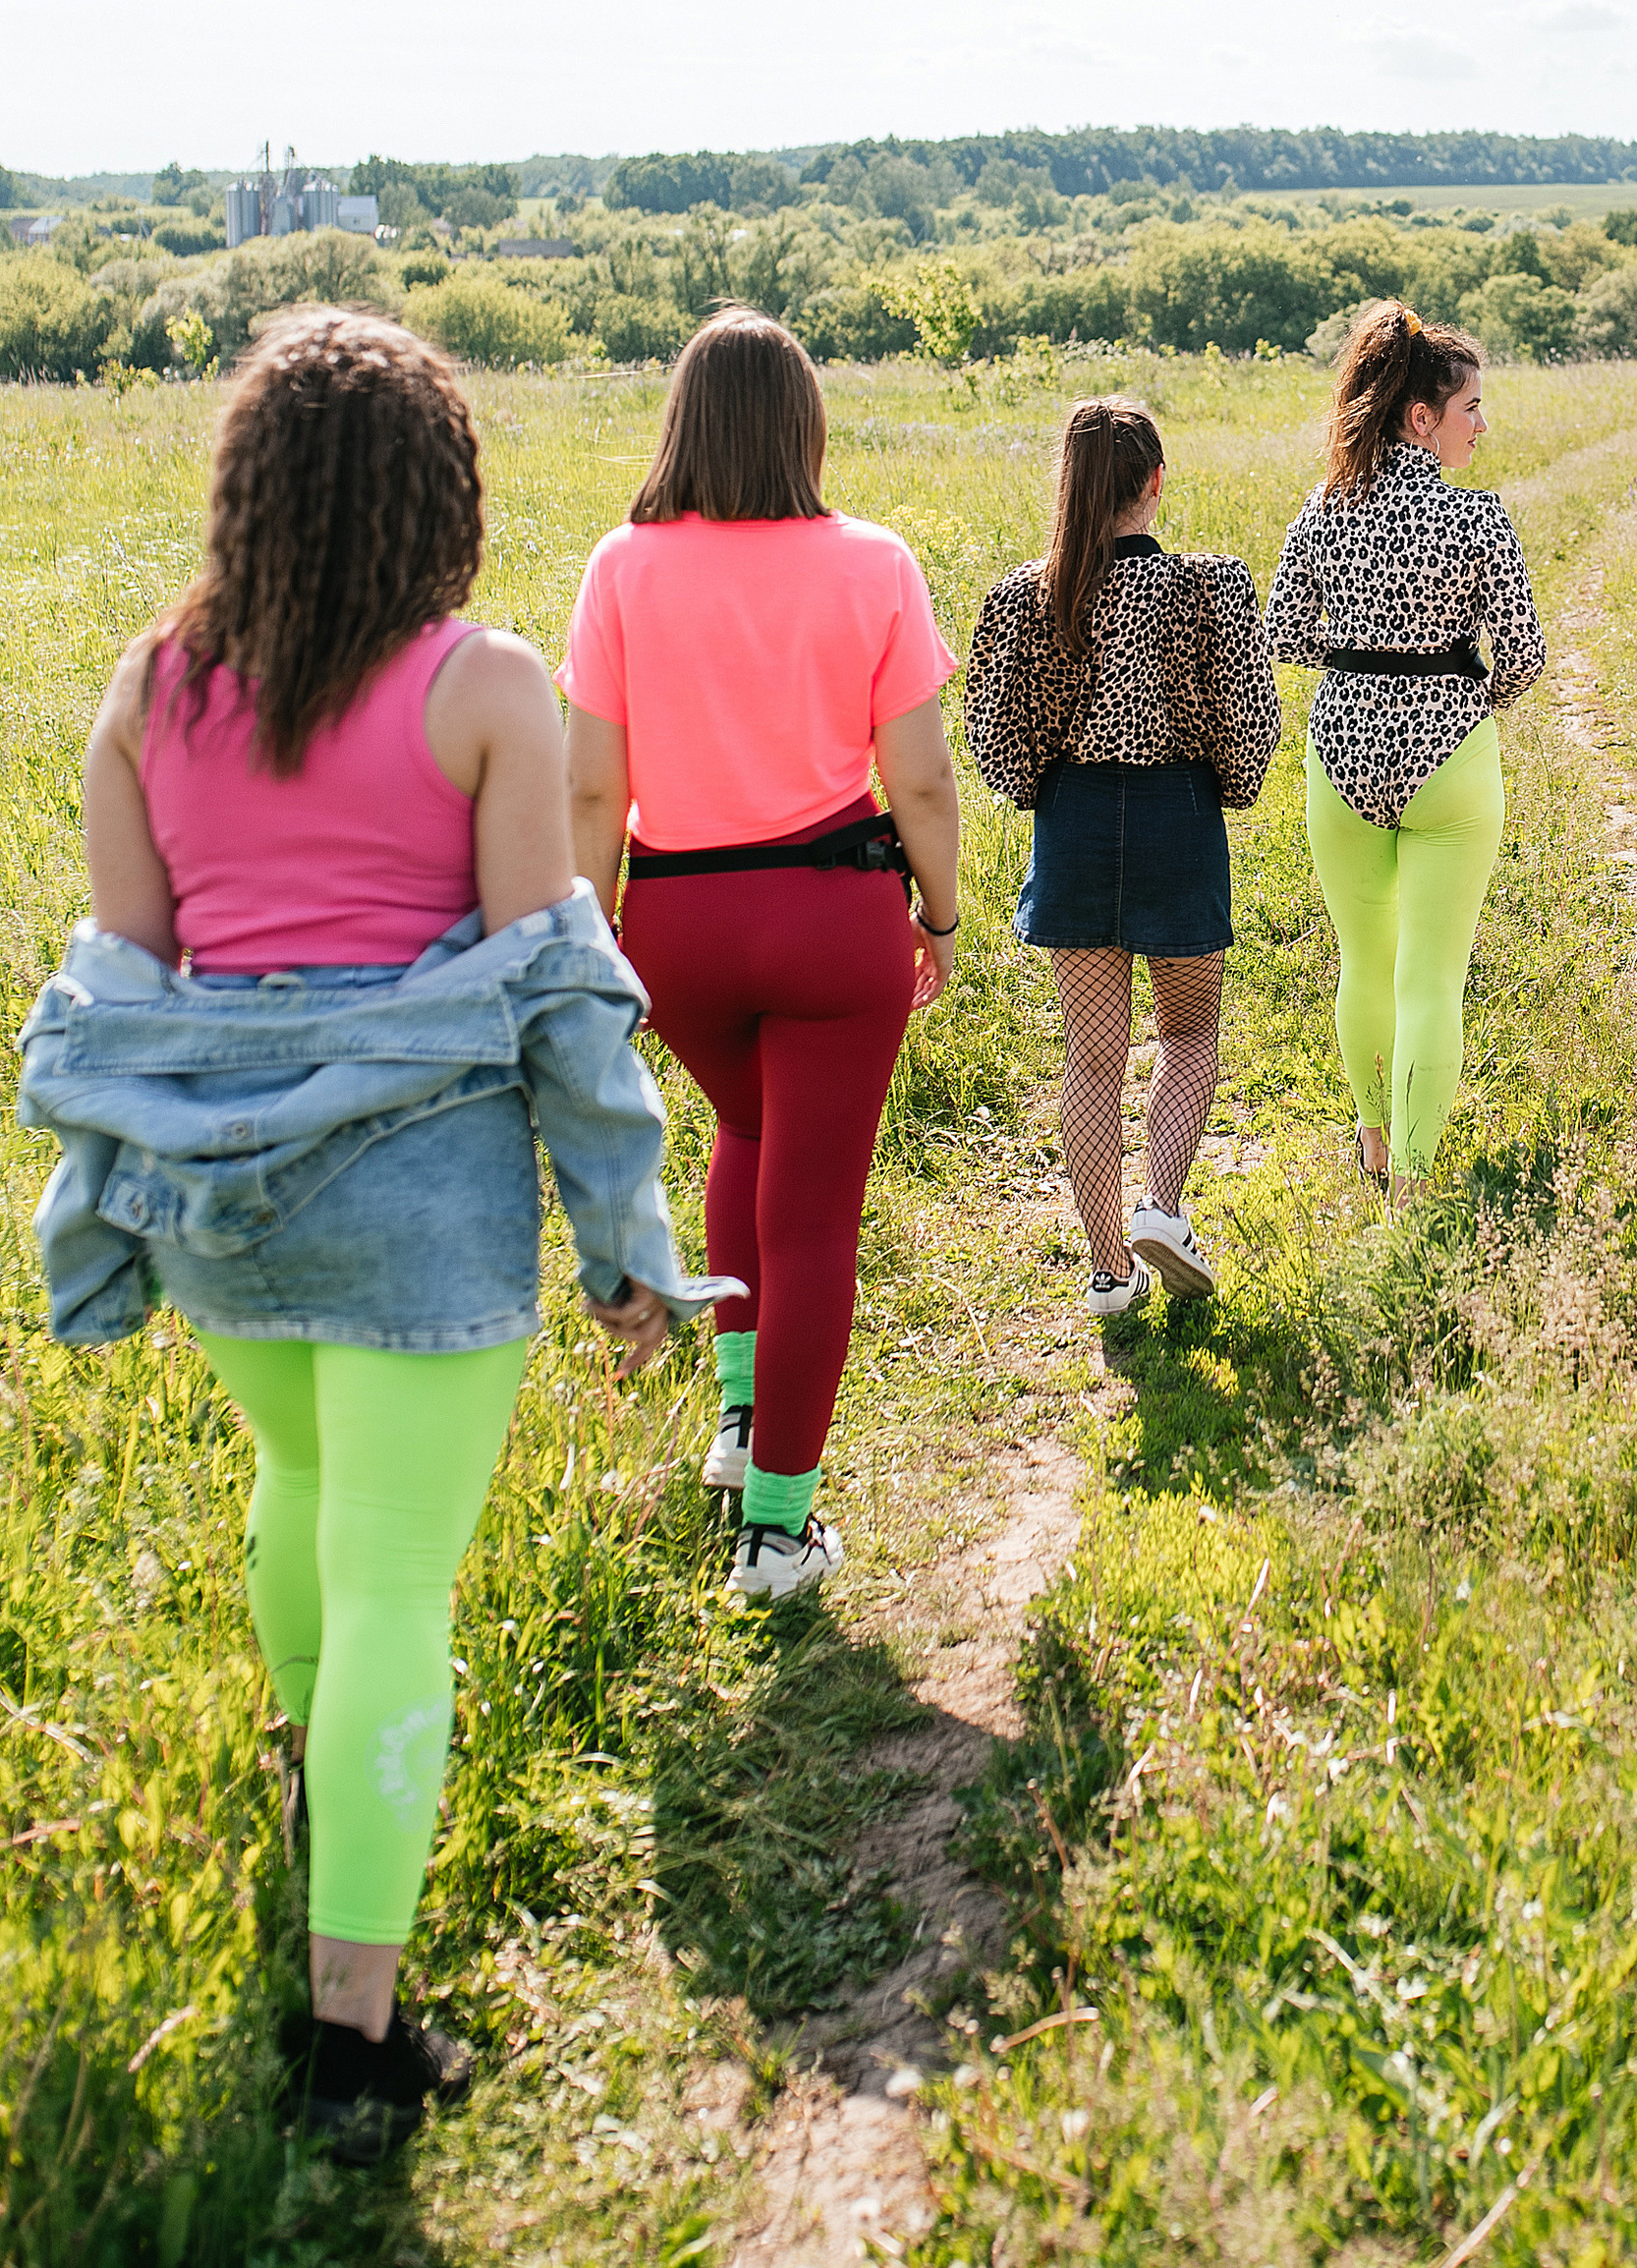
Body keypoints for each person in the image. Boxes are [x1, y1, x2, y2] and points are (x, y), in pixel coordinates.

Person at [32, 310, 718, 2165]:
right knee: (399, 1573)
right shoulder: (484, 691)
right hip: (422, 1213)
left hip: (221, 1216)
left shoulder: (146, 686)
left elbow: (139, 992)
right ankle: (352, 2036)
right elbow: (555, 996)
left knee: (300, 1488)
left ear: (244, 490)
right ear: (445, 492)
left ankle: (312, 1783)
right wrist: (624, 1240)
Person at [559, 310, 962, 1604]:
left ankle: (739, 1427)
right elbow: (924, 782)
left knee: (743, 1133)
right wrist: (941, 917)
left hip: (676, 926)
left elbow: (587, 795)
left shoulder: (620, 567)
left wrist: (595, 938)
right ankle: (779, 1538)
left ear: (682, 421)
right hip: (832, 917)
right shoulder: (874, 563)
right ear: (804, 427)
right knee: (813, 1225)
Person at [964, 398, 1280, 1315]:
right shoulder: (1210, 586)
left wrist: (1045, 792)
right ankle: (1162, 1209)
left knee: (1091, 1060)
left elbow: (994, 734)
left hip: (1075, 822)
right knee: (1186, 1035)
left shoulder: (1028, 594)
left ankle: (1110, 1271)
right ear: (1154, 481)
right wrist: (1223, 784)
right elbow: (1251, 725)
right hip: (1177, 815)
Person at [1265, 303, 1546, 1194]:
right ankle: (1417, 1183)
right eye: (1470, 408)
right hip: (1449, 759)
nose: (1482, 424)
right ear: (1421, 417)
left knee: (1364, 962)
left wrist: (1354, 665)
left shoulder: (1324, 509)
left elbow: (1281, 630)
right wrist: (1468, 698)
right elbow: (1526, 655)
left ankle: (1376, 1143)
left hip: (1342, 755)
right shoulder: (1477, 519)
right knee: (1433, 975)